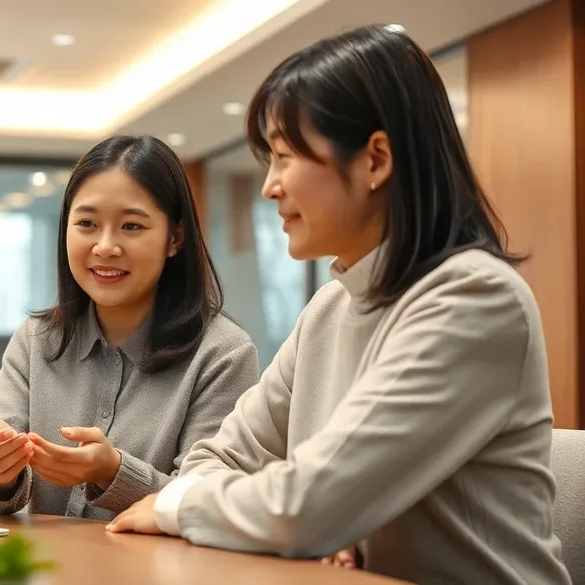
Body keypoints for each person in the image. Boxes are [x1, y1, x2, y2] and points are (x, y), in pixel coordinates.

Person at [106, 25, 572, 585]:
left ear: (375, 159)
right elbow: (222, 457)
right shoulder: (329, 308)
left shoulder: (474, 299)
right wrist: (310, 522)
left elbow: (308, 507)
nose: (269, 187)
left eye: (284, 157)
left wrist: (177, 507)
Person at [0, 135, 259, 521]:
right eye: (86, 223)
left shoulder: (223, 354)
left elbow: (210, 504)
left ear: (175, 238)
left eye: (132, 226)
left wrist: (114, 472)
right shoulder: (36, 340)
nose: (105, 246)